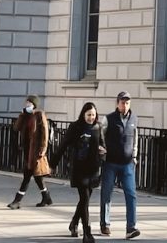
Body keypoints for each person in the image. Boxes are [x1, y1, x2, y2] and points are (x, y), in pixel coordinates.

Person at [56, 102, 105, 242]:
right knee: (84, 199)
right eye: (89, 115)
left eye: (93, 115)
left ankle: (73, 223)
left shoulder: (98, 127)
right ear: (83, 114)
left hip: (93, 169)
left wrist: (102, 151)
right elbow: (63, 145)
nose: (91, 117)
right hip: (79, 168)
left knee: (85, 200)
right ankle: (87, 233)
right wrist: (53, 163)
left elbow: (103, 144)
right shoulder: (76, 127)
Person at [99, 91, 139, 239]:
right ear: (117, 103)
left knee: (131, 194)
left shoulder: (134, 118)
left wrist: (134, 156)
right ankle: (105, 224)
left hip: (127, 163)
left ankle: (131, 227)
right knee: (106, 193)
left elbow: (135, 138)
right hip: (111, 162)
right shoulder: (109, 119)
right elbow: (101, 135)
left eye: (127, 102)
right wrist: (102, 153)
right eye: (122, 102)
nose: (125, 105)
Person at [7, 94, 52, 209]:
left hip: (36, 151)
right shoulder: (25, 116)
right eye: (26, 103)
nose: (27, 105)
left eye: (29, 103)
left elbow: (45, 133)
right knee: (37, 176)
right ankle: (46, 197)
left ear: (34, 105)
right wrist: (22, 115)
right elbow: (16, 128)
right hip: (27, 149)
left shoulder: (39, 115)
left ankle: (17, 201)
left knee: (27, 175)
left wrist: (43, 149)